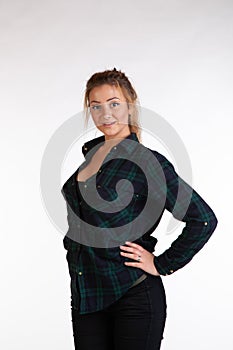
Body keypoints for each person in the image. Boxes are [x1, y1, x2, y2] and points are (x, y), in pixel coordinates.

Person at [61, 68, 218, 350]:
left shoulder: (147, 163)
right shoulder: (90, 157)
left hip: (133, 295)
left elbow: (203, 219)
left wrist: (162, 264)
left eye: (114, 103)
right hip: (88, 297)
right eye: (95, 106)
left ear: (130, 106)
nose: (105, 113)